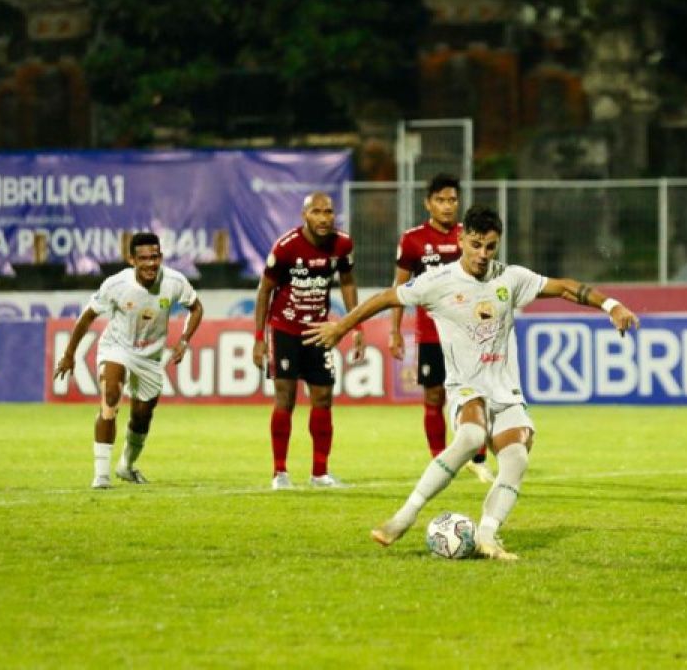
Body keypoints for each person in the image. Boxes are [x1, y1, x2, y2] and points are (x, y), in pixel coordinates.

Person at [306, 205, 640, 560]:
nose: (483, 254)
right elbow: (387, 297)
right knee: (470, 437)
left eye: (490, 246)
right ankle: (403, 517)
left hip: (505, 390)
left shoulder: (509, 278)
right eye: (476, 244)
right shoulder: (438, 282)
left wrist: (612, 306)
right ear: (462, 239)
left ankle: (487, 535)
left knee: (516, 460)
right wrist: (342, 327)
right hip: (465, 388)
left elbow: (566, 288)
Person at [54, 231, 203, 488]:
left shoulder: (175, 282)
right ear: (131, 260)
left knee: (142, 416)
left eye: (154, 257)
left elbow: (196, 307)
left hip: (150, 357)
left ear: (161, 257)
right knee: (110, 397)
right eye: (143, 258)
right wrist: (69, 355)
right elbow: (87, 317)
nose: (150, 264)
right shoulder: (116, 285)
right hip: (117, 347)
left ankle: (126, 465)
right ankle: (101, 475)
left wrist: (185, 339)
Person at [253, 191, 365, 490]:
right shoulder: (287, 247)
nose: (324, 218)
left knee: (323, 399)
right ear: (305, 215)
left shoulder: (342, 244)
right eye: (317, 212)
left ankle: (320, 473)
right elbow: (264, 290)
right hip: (285, 330)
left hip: (320, 332)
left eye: (328, 211)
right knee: (285, 399)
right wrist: (259, 338)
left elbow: (348, 282)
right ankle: (280, 473)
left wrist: (355, 326)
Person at [390, 172, 494, 483]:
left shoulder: (470, 237)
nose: (448, 206)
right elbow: (398, 288)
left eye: (452, 200)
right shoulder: (413, 240)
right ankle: (440, 459)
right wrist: (395, 331)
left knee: (478, 396)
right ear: (428, 203)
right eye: (440, 200)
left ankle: (478, 459)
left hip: (471, 335)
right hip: (433, 336)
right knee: (433, 396)